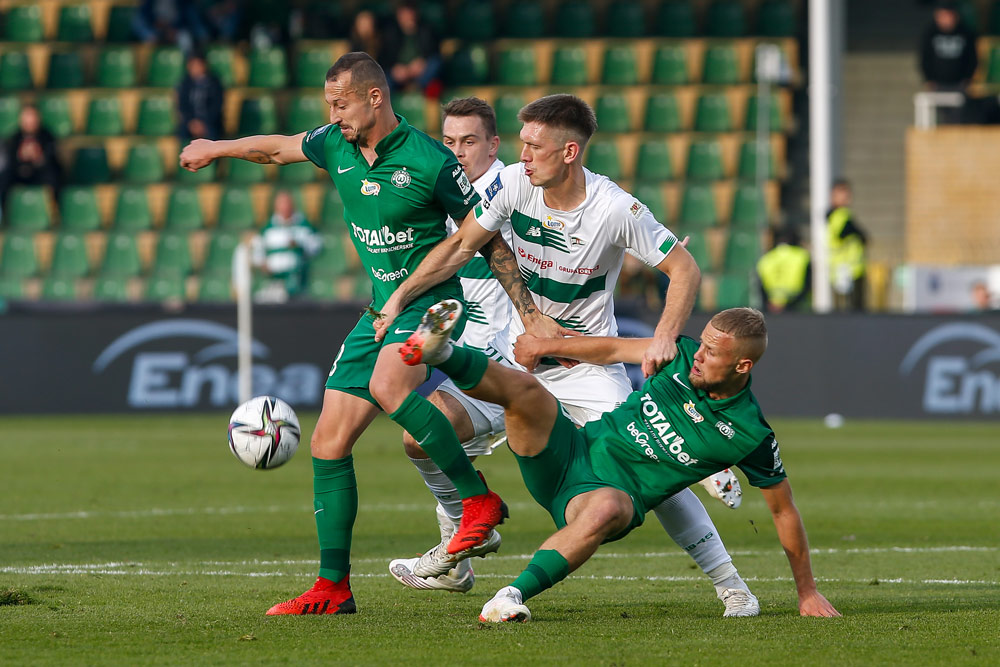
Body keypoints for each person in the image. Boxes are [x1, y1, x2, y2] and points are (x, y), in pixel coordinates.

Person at [179, 52, 557, 616]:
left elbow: (488, 239)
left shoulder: (430, 161)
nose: (333, 115)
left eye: (341, 103)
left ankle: (477, 502)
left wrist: (529, 315)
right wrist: (216, 148)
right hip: (380, 309)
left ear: (375, 97)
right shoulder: (336, 143)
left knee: (389, 387)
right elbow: (277, 147)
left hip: (435, 303)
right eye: (328, 105)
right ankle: (333, 587)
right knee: (327, 444)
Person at [378, 95, 758, 616]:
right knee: (423, 432)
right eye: (522, 145)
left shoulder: (614, 209)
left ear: (570, 152)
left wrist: (667, 335)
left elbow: (685, 270)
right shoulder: (513, 183)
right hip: (520, 361)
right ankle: (459, 557)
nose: (524, 156)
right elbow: (463, 245)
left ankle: (731, 585)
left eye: (534, 146)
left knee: (647, 470)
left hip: (588, 372)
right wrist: (400, 295)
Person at [399, 300, 841, 622]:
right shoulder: (680, 355)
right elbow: (612, 350)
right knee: (527, 390)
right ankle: (442, 353)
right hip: (569, 451)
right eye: (702, 343)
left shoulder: (750, 433)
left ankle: (510, 597)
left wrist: (807, 592)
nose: (699, 355)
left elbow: (783, 509)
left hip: (603, 496)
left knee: (608, 509)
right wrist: (549, 345)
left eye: (712, 352)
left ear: (742, 365)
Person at [250, 190, 321, 301]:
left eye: (287, 203)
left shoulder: (304, 225)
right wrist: (262, 264)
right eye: (281, 203)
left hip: (297, 282)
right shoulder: (267, 228)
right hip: (274, 282)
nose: (285, 207)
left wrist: (299, 245)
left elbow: (316, 247)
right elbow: (257, 251)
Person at [0, 105, 62, 206]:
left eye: (31, 117)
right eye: (26, 117)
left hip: (40, 172)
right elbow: (11, 160)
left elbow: (52, 158)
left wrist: (38, 157)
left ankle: (52, 210)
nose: (29, 121)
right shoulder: (15, 137)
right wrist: (20, 157)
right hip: (20, 172)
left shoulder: (47, 135)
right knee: (4, 178)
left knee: (53, 177)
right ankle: (5, 212)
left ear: (38, 118)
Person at [379, 1, 442, 97]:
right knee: (383, 80)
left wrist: (422, 62)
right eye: (404, 14)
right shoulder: (390, 33)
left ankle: (416, 87)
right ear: (398, 16)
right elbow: (385, 57)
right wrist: (395, 68)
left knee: (435, 64)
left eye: (410, 14)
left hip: (421, 71)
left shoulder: (426, 30)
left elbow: (433, 52)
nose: (408, 17)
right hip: (400, 73)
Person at [919, 0, 978, 94]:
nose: (946, 19)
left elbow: (972, 57)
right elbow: (925, 57)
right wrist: (928, 78)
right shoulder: (930, 33)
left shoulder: (966, 34)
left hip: (960, 83)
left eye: (949, 15)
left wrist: (968, 77)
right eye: (943, 16)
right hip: (937, 84)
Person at [826, 179, 867, 312]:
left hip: (852, 269)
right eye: (841, 192)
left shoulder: (843, 214)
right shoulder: (839, 215)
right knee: (848, 310)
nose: (846, 196)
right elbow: (843, 232)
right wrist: (860, 234)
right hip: (844, 270)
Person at [756, 227, 812, 313]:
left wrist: (771, 304)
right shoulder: (803, 256)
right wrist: (790, 305)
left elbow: (760, 287)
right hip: (798, 308)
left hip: (773, 309)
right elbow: (808, 284)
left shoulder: (766, 258)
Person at [177, 53, 224, 142]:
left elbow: (217, 106)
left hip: (210, 122)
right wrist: (192, 123)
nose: (196, 68)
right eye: (193, 66)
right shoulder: (185, 83)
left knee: (212, 133)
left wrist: (204, 123)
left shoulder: (214, 82)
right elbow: (182, 105)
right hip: (190, 122)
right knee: (182, 133)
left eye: (198, 65)